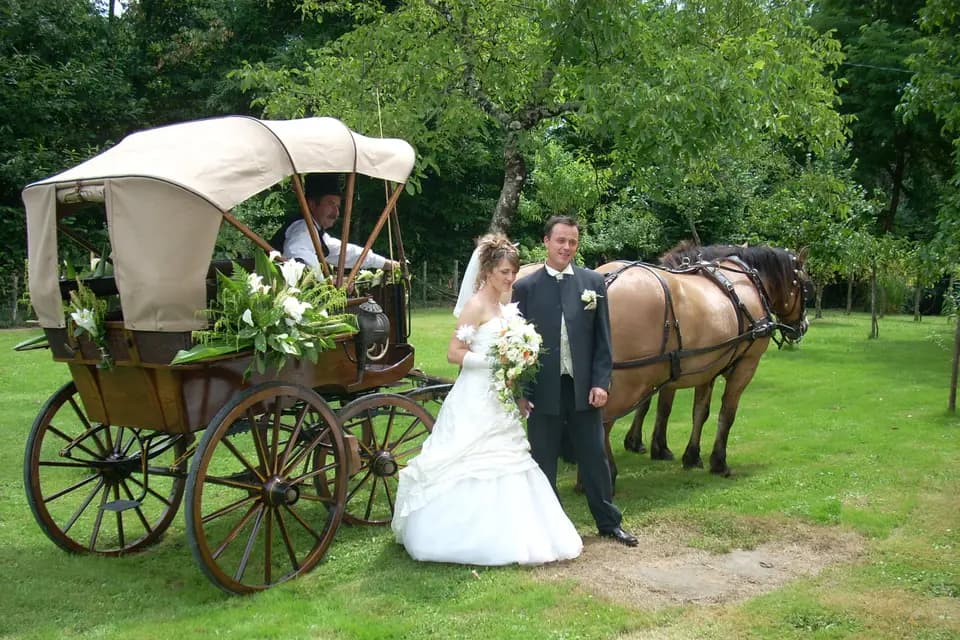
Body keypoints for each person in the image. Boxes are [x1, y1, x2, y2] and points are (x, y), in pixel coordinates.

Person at [391, 234, 582, 565]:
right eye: (504, 272)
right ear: (487, 271)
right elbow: (454, 353)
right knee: (469, 460)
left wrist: (517, 384)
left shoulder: (505, 305)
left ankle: (518, 533)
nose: (510, 278)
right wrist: (496, 361)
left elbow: (512, 356)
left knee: (510, 459)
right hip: (475, 396)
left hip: (501, 397)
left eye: (512, 272)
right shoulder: (476, 305)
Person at [512, 216, 638, 547]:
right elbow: (517, 347)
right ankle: (549, 528)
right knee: (543, 460)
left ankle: (609, 523)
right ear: (546, 242)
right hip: (543, 392)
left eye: (573, 242)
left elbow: (603, 340)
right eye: (561, 241)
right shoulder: (525, 288)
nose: (567, 247)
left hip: (585, 390)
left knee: (595, 457)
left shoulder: (593, 283)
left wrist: (601, 382)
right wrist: (522, 393)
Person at [281, 173, 400, 271]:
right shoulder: (302, 229)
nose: (336, 212)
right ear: (312, 204)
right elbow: (297, 256)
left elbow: (344, 252)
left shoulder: (316, 232)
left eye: (338, 206)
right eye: (331, 204)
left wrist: (386, 263)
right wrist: (324, 284)